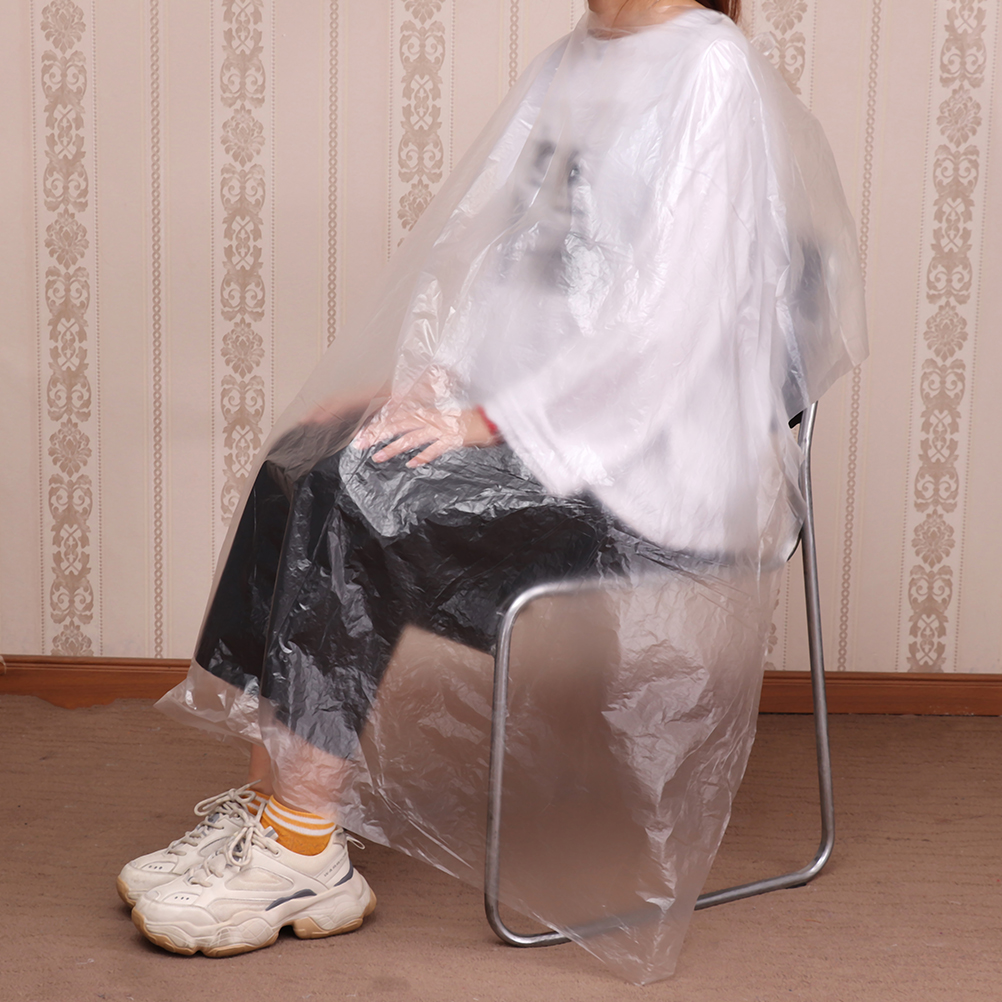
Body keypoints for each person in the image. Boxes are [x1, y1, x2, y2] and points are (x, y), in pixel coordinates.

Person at [119, 0, 866, 981]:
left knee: (363, 492)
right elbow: (512, 277)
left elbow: (671, 321)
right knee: (304, 458)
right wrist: (430, 389)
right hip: (555, 431)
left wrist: (494, 420)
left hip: (644, 471)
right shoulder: (572, 60)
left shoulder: (708, 72)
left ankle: (303, 856)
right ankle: (271, 810)